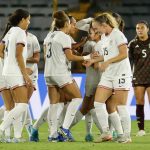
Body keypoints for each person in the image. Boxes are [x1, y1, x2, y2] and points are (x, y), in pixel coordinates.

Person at [44, 10, 91, 142]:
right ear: (66, 23)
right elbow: (69, 57)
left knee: (54, 104)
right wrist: (87, 56)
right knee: (77, 98)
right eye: (72, 24)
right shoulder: (64, 37)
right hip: (60, 72)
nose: (73, 27)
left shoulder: (50, 36)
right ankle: (64, 129)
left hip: (48, 73)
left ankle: (52, 135)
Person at [86, 12, 132, 143]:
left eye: (96, 28)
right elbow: (108, 55)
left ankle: (126, 136)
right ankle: (106, 132)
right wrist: (93, 61)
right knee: (98, 103)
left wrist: (107, 62)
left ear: (104, 25)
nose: (95, 30)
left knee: (121, 106)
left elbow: (124, 54)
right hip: (108, 74)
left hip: (121, 73)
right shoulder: (104, 37)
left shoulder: (118, 35)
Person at [0, 9, 31, 142]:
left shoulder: (10, 31)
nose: (29, 22)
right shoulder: (20, 32)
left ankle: (15, 136)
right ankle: (1, 129)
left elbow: (1, 50)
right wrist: (25, 74)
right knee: (22, 105)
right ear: (22, 19)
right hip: (15, 72)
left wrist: (8, 61)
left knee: (14, 106)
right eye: (28, 19)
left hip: (6, 71)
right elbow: (18, 55)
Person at [128, 20, 150, 136]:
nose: (139, 30)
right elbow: (128, 61)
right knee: (139, 102)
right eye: (137, 28)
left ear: (147, 29)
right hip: (138, 76)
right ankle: (141, 129)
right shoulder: (132, 44)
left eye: (142, 28)